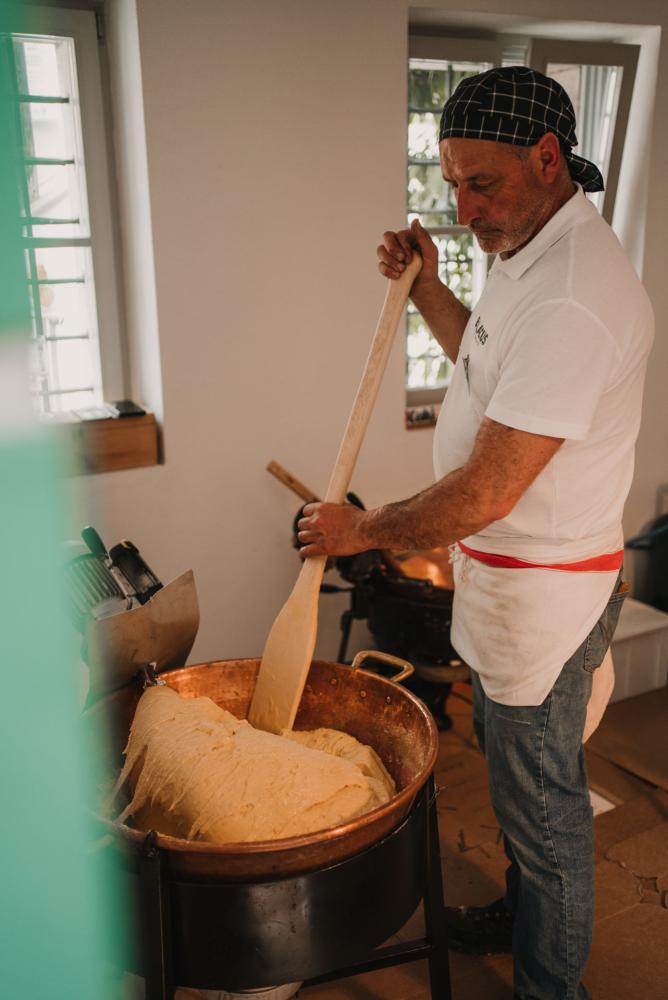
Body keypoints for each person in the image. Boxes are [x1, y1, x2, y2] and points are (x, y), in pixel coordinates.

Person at [297, 67, 654, 1000]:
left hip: (546, 598)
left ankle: (551, 988)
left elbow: (491, 488)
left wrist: (361, 531)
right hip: (506, 581)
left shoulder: (573, 296)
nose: (462, 210)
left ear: (548, 159)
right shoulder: (526, 248)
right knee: (516, 781)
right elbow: (486, 368)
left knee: (547, 813)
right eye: (451, 182)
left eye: (481, 184)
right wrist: (426, 287)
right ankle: (523, 910)